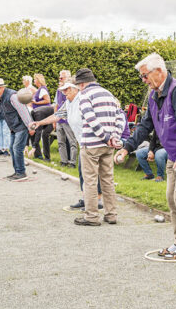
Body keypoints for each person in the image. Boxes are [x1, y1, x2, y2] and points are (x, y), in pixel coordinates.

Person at [116, 53, 176, 260]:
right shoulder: (154, 94)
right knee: (171, 198)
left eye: (145, 75)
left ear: (159, 71)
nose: (143, 80)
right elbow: (146, 125)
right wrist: (127, 147)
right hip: (173, 153)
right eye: (142, 77)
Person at [31, 81, 104, 212]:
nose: (65, 93)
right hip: (83, 141)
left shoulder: (83, 99)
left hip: (92, 140)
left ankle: (96, 201)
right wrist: (39, 122)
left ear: (76, 89)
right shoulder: (68, 103)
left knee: (90, 173)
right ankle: (86, 199)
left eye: (68, 90)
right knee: (83, 172)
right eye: (64, 90)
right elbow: (57, 115)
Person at [74, 68, 123, 226]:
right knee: (107, 180)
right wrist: (114, 137)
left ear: (81, 84)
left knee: (90, 181)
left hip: (91, 144)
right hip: (108, 146)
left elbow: (90, 119)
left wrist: (105, 137)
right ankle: (111, 214)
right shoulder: (108, 94)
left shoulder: (84, 95)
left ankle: (92, 217)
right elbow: (120, 116)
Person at [54, 70, 78, 167]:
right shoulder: (59, 91)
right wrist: (55, 119)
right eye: (59, 77)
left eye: (62, 77)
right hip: (59, 119)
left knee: (72, 142)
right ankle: (63, 161)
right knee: (60, 142)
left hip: (69, 121)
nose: (60, 79)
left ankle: (72, 162)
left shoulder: (74, 91)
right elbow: (57, 104)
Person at [30, 73, 54, 161]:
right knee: (35, 131)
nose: (34, 81)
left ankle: (46, 157)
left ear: (39, 80)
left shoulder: (43, 90)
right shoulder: (38, 90)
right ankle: (38, 154)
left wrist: (36, 103)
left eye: (35, 79)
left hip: (45, 115)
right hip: (38, 114)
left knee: (42, 133)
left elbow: (48, 100)